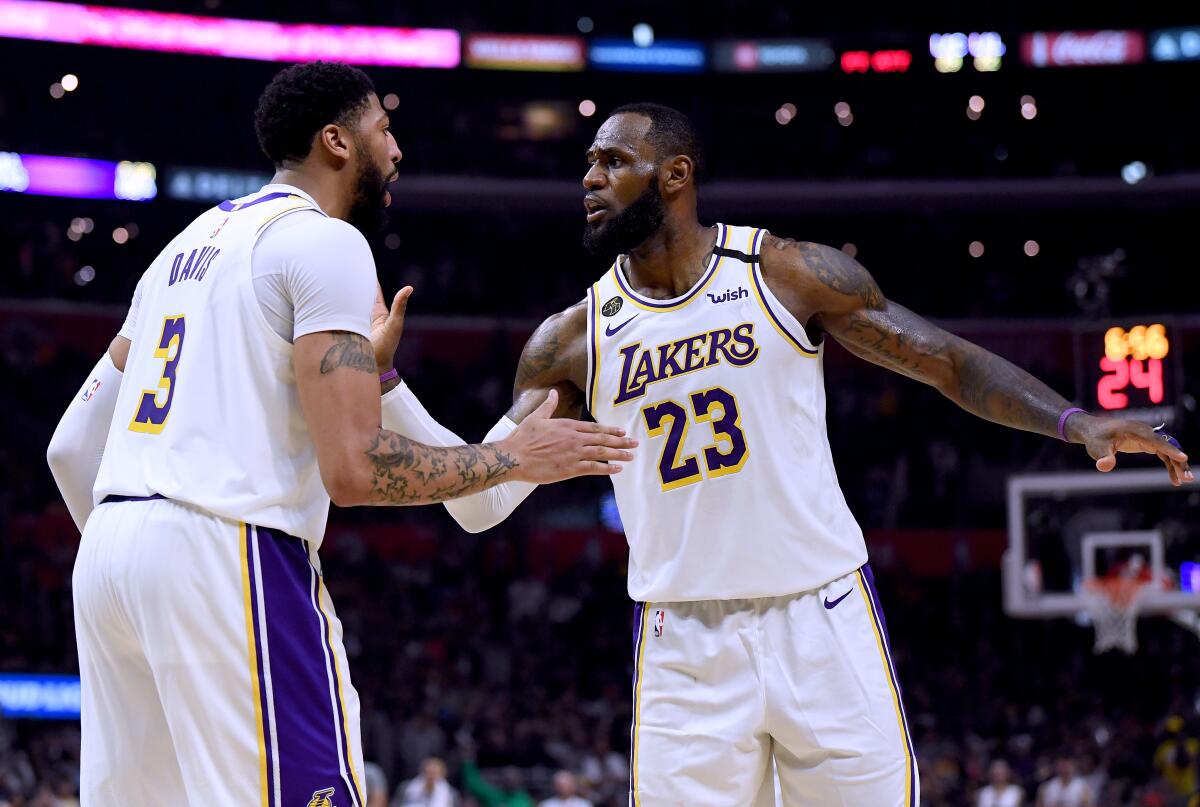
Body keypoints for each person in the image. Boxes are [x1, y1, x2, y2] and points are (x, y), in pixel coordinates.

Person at [368, 102, 1193, 805]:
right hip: (686, 647)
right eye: (587, 163)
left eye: (613, 161)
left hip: (821, 617)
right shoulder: (571, 341)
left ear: (675, 176)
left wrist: (1074, 420)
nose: (588, 178)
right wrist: (388, 380)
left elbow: (944, 360)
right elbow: (480, 501)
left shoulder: (785, 273)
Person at [43, 62, 635, 806]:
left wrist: (143, 547)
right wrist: (512, 455)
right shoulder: (325, 244)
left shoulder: (180, 250)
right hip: (225, 547)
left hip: (108, 558)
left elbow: (68, 447)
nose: (395, 152)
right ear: (336, 142)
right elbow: (353, 471)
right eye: (383, 130)